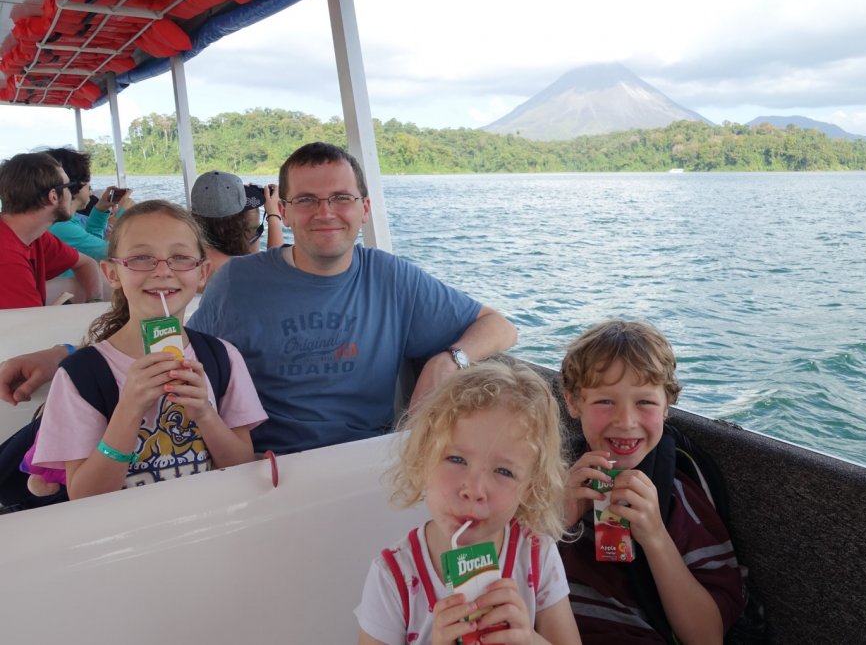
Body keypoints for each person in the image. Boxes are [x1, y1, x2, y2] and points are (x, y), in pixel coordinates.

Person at [0, 142, 517, 457]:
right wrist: (64, 356)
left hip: (367, 462)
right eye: (307, 200)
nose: (325, 212)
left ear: (363, 207)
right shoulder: (239, 281)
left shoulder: (394, 277)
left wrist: (452, 359)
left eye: (340, 198)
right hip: (259, 465)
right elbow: (170, 340)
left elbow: (499, 326)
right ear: (283, 213)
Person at [32, 200, 267, 498]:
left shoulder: (223, 357)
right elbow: (84, 496)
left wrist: (205, 413)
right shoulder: (81, 376)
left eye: (180, 257)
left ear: (203, 273)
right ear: (113, 274)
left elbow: (242, 466)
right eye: (142, 258)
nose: (162, 271)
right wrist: (128, 410)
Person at [355, 360, 580, 645]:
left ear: (529, 488)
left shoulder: (537, 555)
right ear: (423, 460)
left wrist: (530, 640)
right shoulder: (393, 576)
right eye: (457, 459)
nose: (474, 490)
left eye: (504, 471)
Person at [558, 320, 744, 644]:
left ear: (667, 406)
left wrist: (655, 535)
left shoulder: (678, 498)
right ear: (574, 403)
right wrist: (554, 521)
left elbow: (707, 636)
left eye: (644, 402)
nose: (626, 421)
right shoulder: (549, 481)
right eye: (605, 401)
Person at [0, 151, 102, 308]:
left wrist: (95, 303)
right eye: (69, 187)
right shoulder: (7, 258)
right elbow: (30, 327)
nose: (72, 194)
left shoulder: (35, 237)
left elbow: (86, 263)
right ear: (53, 196)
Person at [44, 146, 133, 263]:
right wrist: (123, 215)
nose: (90, 191)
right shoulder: (61, 227)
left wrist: (100, 210)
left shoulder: (67, 221)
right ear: (78, 186)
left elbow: (91, 246)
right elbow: (115, 253)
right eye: (88, 185)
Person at [189, 169, 284, 276]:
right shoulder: (245, 274)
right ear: (244, 232)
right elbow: (278, 269)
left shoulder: (190, 265)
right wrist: (274, 216)